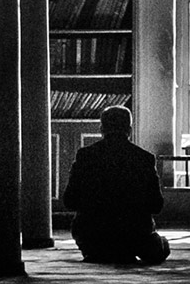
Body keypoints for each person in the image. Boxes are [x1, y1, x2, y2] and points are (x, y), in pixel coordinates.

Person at [62, 105, 171, 265]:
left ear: (102, 128)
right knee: (163, 246)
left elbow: (69, 201)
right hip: (135, 237)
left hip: (93, 236)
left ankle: (99, 253)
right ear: (130, 129)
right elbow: (156, 205)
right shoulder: (144, 158)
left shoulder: (86, 156)